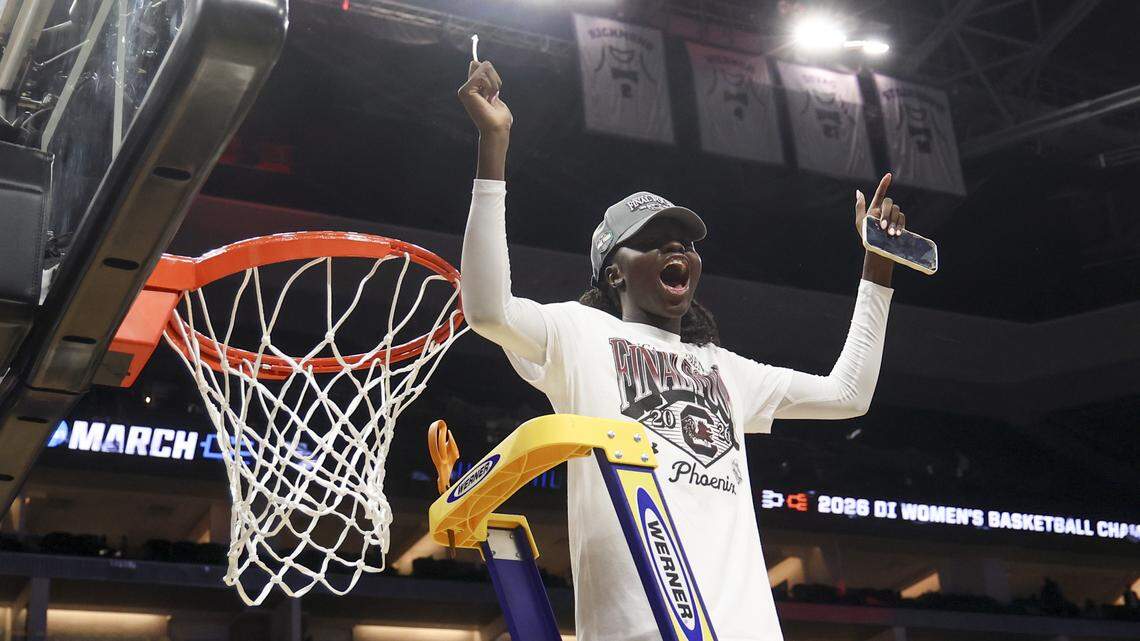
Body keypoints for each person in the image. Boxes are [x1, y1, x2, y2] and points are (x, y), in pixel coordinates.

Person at [457, 60, 905, 641]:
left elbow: (849, 395)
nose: (678, 248)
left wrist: (877, 270)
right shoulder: (578, 333)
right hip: (638, 629)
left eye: (686, 243)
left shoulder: (724, 369)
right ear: (612, 274)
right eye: (650, 242)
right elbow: (487, 309)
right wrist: (494, 145)